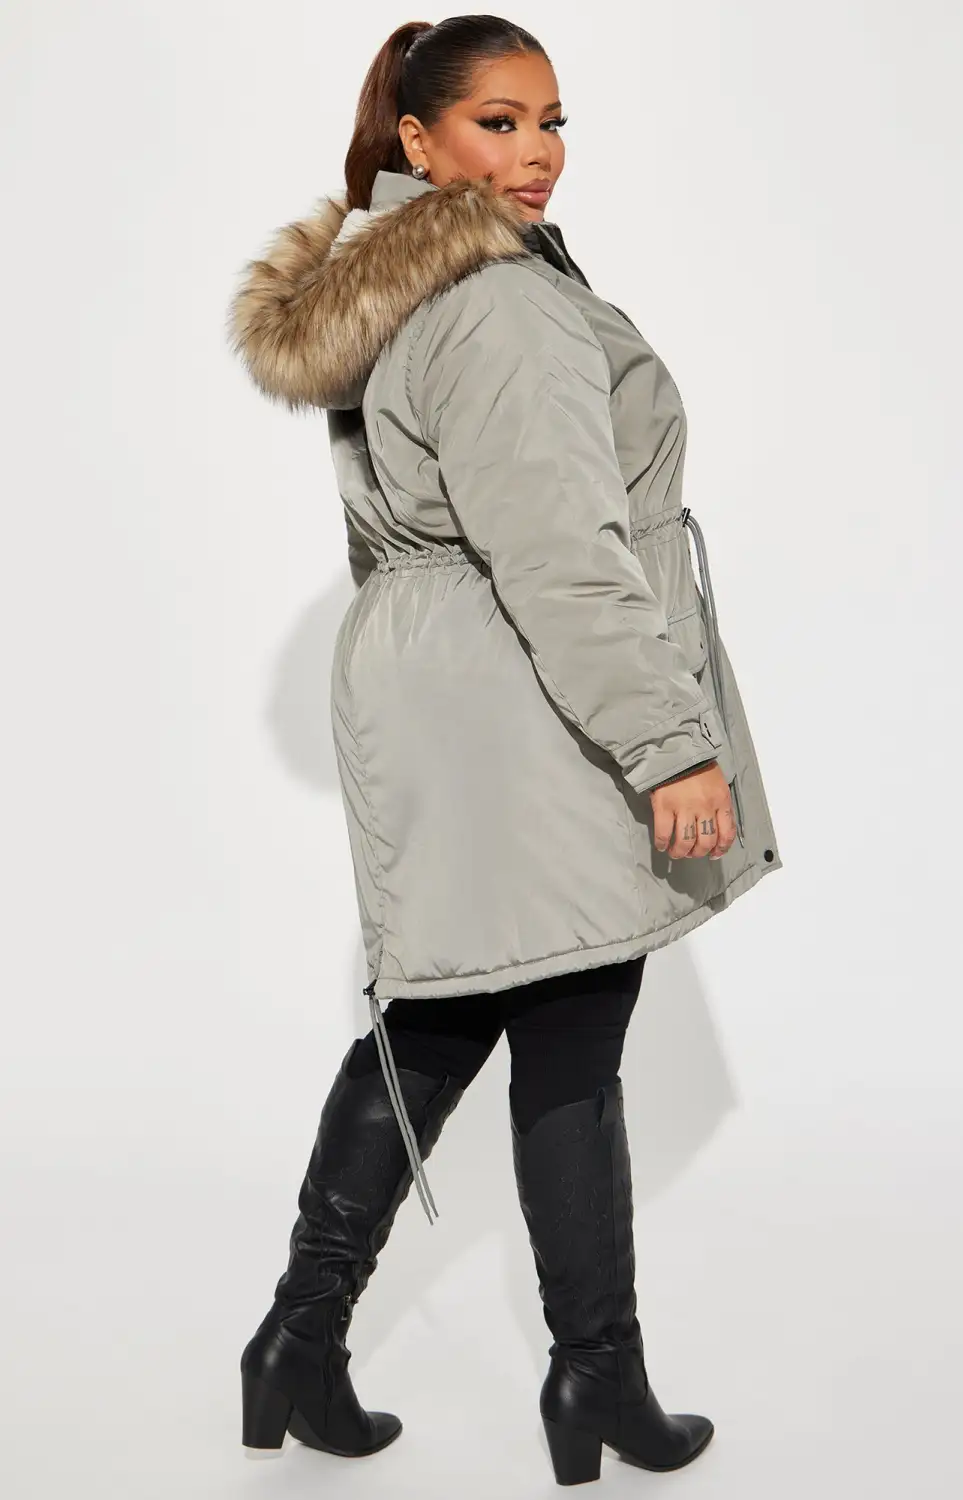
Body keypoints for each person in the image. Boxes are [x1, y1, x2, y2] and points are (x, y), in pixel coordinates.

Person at [226, 13, 782, 1486]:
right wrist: (668, 743)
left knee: (445, 1015)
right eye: (499, 122)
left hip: (447, 694)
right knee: (571, 1026)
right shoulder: (498, 303)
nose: (537, 153)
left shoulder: (396, 287)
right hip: (530, 696)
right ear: (418, 141)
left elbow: (413, 535)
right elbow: (560, 553)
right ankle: (595, 1379)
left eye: (552, 122)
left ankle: (299, 1343)